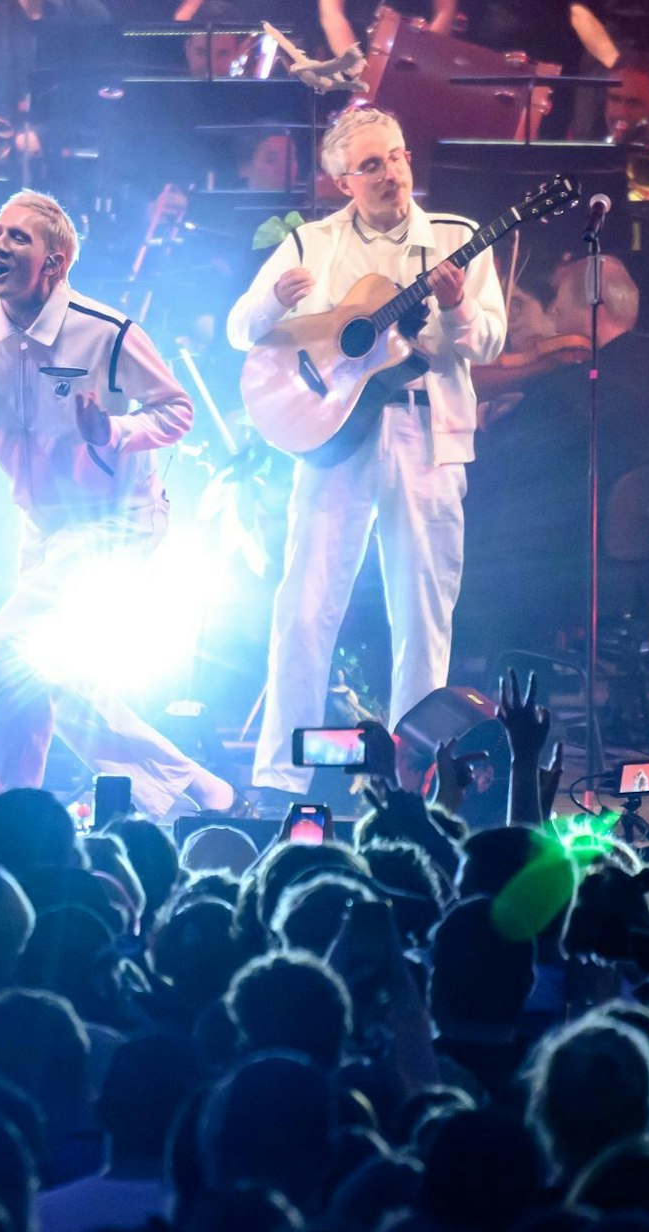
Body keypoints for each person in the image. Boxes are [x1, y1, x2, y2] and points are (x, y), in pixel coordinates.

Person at [0, 190, 236, 819]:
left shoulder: (104, 331)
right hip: (43, 527)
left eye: (18, 238)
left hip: (117, 520)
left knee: (15, 640)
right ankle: (192, 789)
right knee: (59, 679)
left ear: (54, 263)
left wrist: (112, 433)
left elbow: (177, 410)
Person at [227, 107, 506, 803]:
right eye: (373, 165)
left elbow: (490, 342)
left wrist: (458, 309)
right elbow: (242, 330)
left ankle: (418, 777)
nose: (392, 174)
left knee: (420, 610)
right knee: (305, 604)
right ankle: (279, 776)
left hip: (426, 432)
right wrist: (271, 304)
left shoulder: (456, 238)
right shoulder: (310, 244)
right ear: (341, 179)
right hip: (331, 434)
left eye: (399, 157)